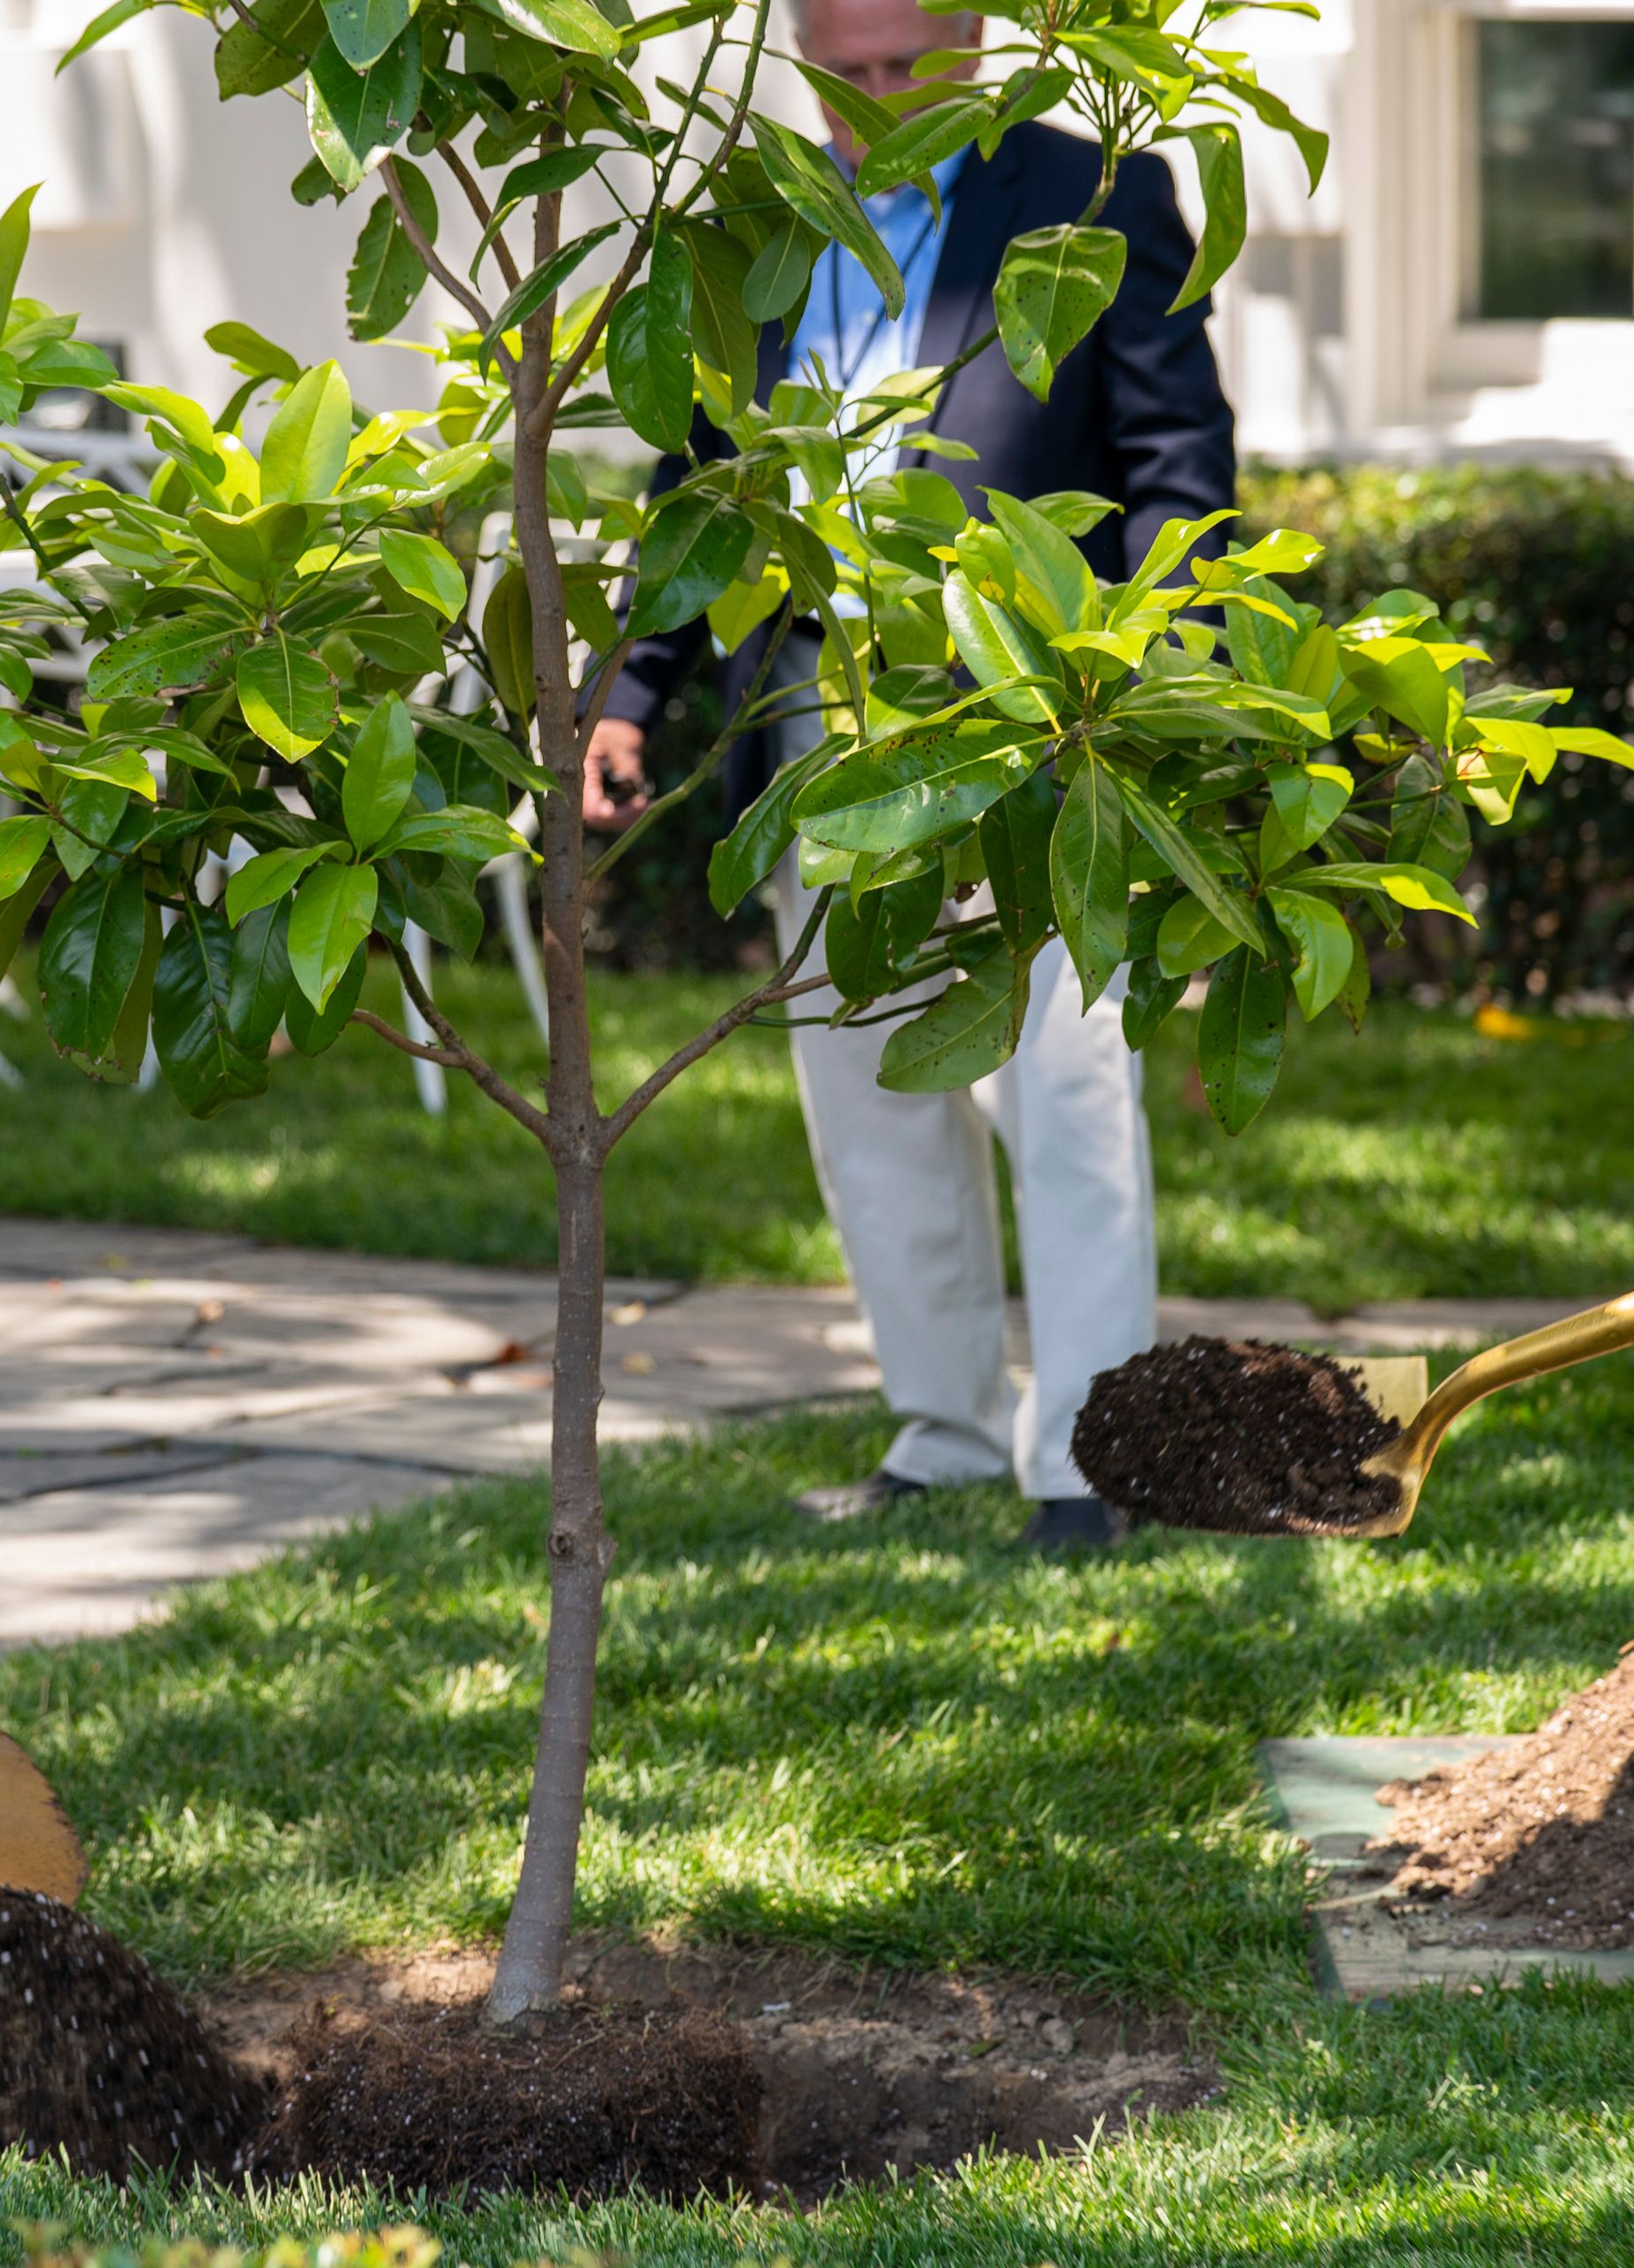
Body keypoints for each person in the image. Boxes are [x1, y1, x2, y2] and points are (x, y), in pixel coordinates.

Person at [590, 0, 1230, 1544]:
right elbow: (699, 477)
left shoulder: (1094, 199)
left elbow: (1177, 467)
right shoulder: (756, 230)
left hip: (1029, 708)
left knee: (1064, 1086)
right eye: (846, 77)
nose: (875, 106)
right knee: (864, 1082)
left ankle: (1090, 1459)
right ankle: (941, 1427)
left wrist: (1148, 691)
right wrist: (631, 693)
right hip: (813, 707)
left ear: (975, 51)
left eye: (908, 71)